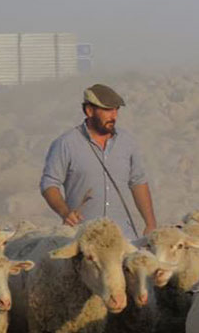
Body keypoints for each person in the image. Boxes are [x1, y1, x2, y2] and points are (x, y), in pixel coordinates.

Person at [40, 84, 157, 238]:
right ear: (89, 111)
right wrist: (65, 212)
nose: (113, 116)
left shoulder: (127, 142)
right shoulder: (66, 144)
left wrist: (150, 224)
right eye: (108, 110)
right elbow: (49, 184)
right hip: (84, 237)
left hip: (123, 236)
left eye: (116, 110)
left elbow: (138, 182)